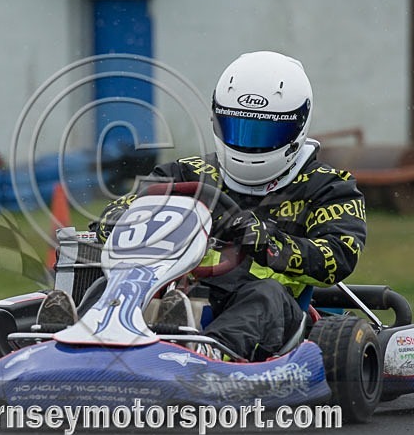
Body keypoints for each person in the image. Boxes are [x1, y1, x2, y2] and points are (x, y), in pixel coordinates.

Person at [84, 50, 368, 362]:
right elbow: (123, 206)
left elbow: (338, 256)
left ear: (296, 127)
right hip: (183, 292)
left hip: (272, 317)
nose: (247, 143)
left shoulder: (327, 187)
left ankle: (209, 356)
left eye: (264, 132)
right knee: (109, 284)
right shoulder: (187, 173)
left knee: (264, 294)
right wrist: (118, 220)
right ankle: (84, 344)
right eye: (236, 128)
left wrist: (271, 244)